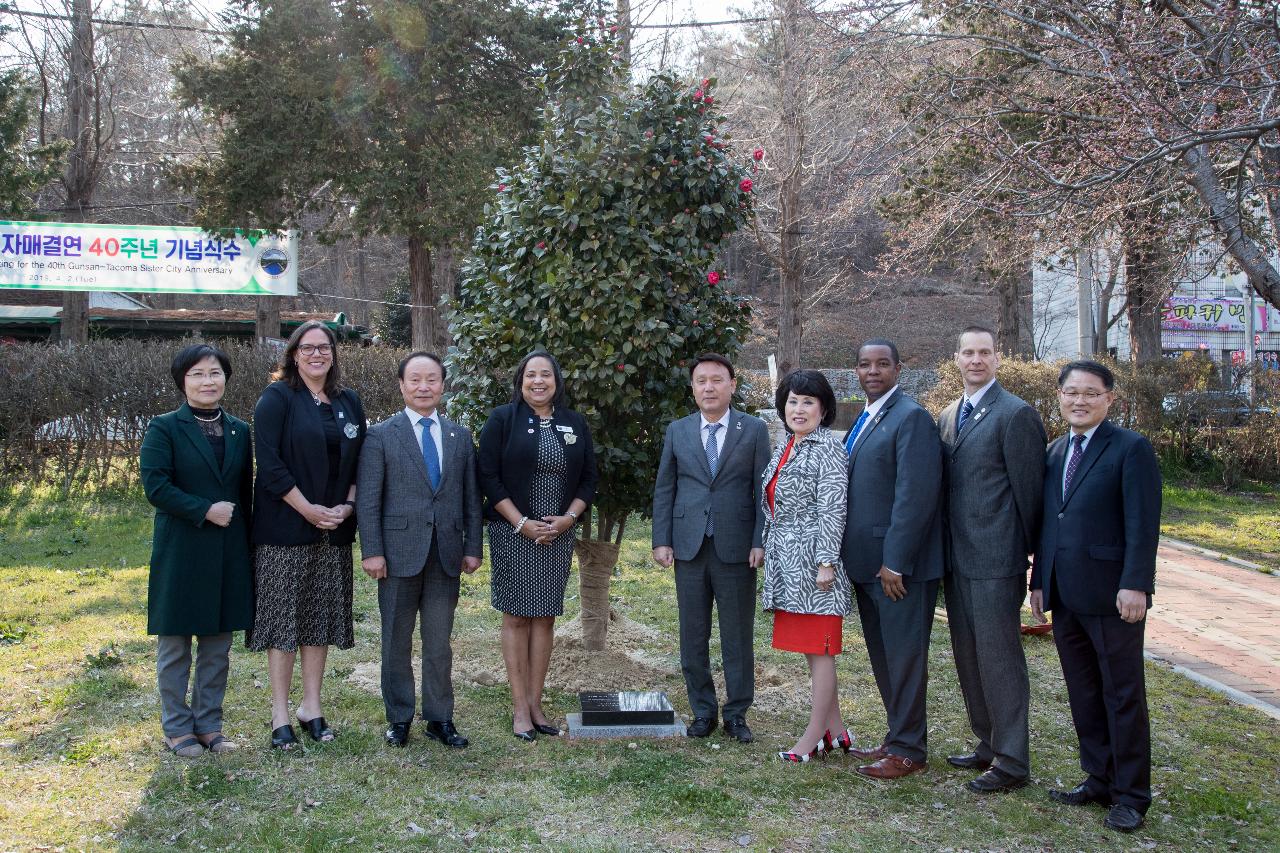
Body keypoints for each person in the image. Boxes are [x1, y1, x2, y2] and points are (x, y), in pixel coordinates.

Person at [1030, 360, 1161, 833]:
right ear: (1060, 396)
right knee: (1084, 691)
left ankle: (1131, 795)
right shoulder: (1056, 449)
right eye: (1071, 392)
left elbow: (1143, 526)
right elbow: (1050, 522)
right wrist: (1040, 581)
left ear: (1109, 398)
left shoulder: (1131, 449)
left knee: (1122, 693)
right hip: (1065, 593)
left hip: (1113, 594)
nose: (1079, 400)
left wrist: (1136, 583)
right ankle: (1098, 779)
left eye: (1090, 393)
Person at [937, 326, 1047, 793]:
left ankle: (1012, 759)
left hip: (996, 559)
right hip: (955, 558)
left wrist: (1030, 558)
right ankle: (986, 743)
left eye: (985, 352)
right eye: (968, 352)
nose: (976, 360)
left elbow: (1030, 495)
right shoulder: (946, 415)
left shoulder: (1016, 414)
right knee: (967, 654)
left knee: (1000, 657)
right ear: (956, 359)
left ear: (998, 359)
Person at [248, 320, 366, 750]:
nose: (317, 355)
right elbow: (271, 464)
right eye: (308, 348)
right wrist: (308, 510)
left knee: (318, 619)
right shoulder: (277, 398)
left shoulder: (348, 402)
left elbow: (359, 464)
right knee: (283, 621)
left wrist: (347, 506)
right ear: (294, 354)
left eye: (325, 348)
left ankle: (311, 707)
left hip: (333, 530)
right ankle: (280, 711)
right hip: (285, 528)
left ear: (334, 354)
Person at [357, 352, 483, 749]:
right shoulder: (380, 435)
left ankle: (440, 718)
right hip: (396, 554)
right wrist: (372, 550)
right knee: (396, 638)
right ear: (402, 385)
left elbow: (470, 499)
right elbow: (369, 500)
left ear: (443, 386)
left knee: (438, 640)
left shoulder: (459, 437)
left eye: (432, 379)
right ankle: (399, 718)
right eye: (415, 380)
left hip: (445, 553)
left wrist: (473, 547)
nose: (424, 387)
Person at [140, 344, 253, 757]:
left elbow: (244, 492)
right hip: (182, 550)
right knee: (175, 645)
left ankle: (209, 725)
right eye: (198, 374)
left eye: (215, 373)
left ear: (225, 378)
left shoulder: (240, 429)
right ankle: (176, 727)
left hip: (227, 551)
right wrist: (204, 510)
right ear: (182, 381)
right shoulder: (164, 427)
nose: (208, 381)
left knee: (217, 645)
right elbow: (156, 487)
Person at [478, 350, 597, 740]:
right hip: (514, 532)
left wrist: (569, 518)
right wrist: (521, 522)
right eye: (531, 375)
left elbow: (588, 480)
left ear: (557, 382)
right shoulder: (502, 420)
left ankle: (535, 702)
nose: (539, 381)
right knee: (516, 617)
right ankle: (518, 710)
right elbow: (488, 478)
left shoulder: (573, 423)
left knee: (544, 617)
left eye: (546, 374)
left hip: (558, 533)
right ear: (521, 380)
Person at [651, 353, 770, 743]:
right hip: (688, 547)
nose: (709, 387)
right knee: (693, 633)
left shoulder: (753, 430)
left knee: (737, 635)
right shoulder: (678, 431)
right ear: (693, 387)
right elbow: (665, 488)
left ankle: (737, 713)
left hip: (737, 548)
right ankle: (703, 711)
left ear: (732, 385)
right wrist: (662, 539)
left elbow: (763, 492)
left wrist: (759, 541)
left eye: (717, 380)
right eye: (701, 380)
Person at [840, 338, 944, 780]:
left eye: (883, 364)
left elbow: (914, 498)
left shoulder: (912, 418)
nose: (873, 371)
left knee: (904, 658)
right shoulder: (865, 417)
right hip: (865, 564)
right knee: (884, 656)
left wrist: (895, 561)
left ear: (899, 369)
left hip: (897, 570)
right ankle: (898, 734)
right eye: (865, 365)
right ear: (857, 371)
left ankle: (909, 750)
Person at [760, 370, 851, 761]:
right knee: (812, 650)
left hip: (816, 565)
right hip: (788, 565)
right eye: (793, 401)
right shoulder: (786, 444)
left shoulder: (828, 448)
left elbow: (833, 507)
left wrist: (827, 562)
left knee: (821, 648)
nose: (798, 409)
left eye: (808, 402)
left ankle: (812, 737)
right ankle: (836, 730)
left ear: (824, 408)